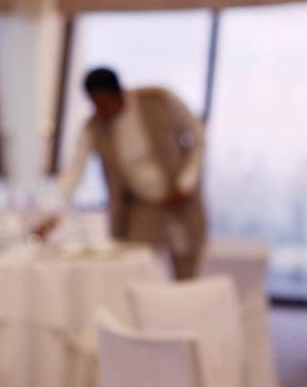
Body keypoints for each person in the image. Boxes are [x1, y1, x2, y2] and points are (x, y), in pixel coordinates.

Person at [42, 67, 207, 278]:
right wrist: (53, 210)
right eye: (95, 104)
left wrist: (185, 183)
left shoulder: (159, 99)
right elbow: (73, 173)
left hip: (183, 204)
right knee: (133, 272)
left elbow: (198, 139)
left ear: (119, 92)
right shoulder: (93, 127)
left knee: (187, 275)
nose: (102, 110)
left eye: (104, 102)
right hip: (142, 208)